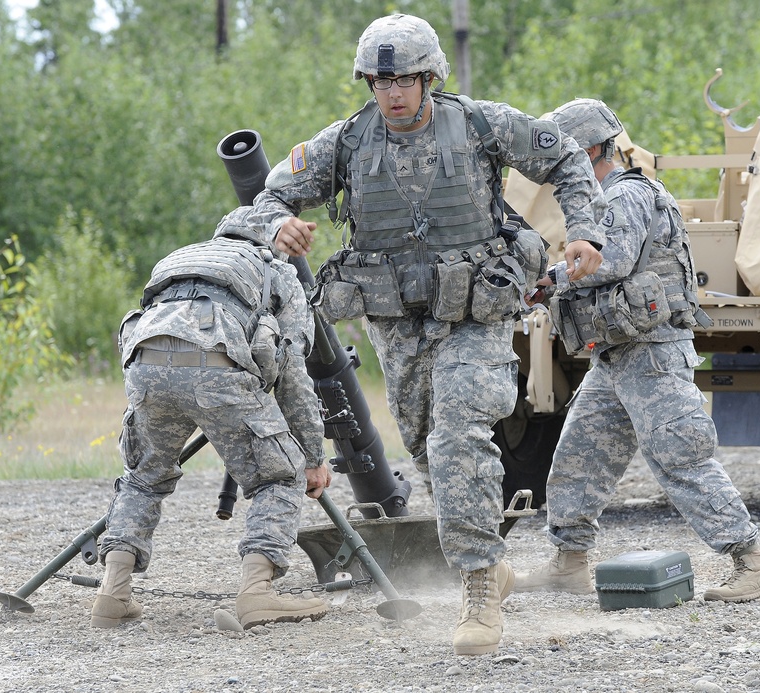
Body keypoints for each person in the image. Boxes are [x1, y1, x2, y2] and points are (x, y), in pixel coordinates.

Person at [247, 14, 608, 655]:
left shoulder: (479, 124)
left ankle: (476, 585)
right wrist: (277, 224)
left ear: (429, 76)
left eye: (403, 80)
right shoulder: (348, 143)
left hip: (477, 312)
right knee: (422, 442)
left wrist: (584, 230)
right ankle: (489, 564)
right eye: (379, 82)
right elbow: (271, 194)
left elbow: (568, 159)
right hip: (396, 319)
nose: (391, 93)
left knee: (459, 434)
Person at [515, 98, 760, 603]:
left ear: (591, 149)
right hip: (615, 355)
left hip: (653, 354)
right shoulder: (600, 200)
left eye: (562, 158)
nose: (554, 172)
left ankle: (753, 562)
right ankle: (569, 562)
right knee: (579, 456)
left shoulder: (624, 197)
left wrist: (546, 281)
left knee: (680, 455)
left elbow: (605, 261)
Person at [92, 206, 332, 630]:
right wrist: (312, 456)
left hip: (144, 366)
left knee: (143, 477)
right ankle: (257, 595)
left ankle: (112, 594)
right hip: (217, 367)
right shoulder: (277, 272)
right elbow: (293, 368)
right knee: (280, 476)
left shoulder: (180, 259)